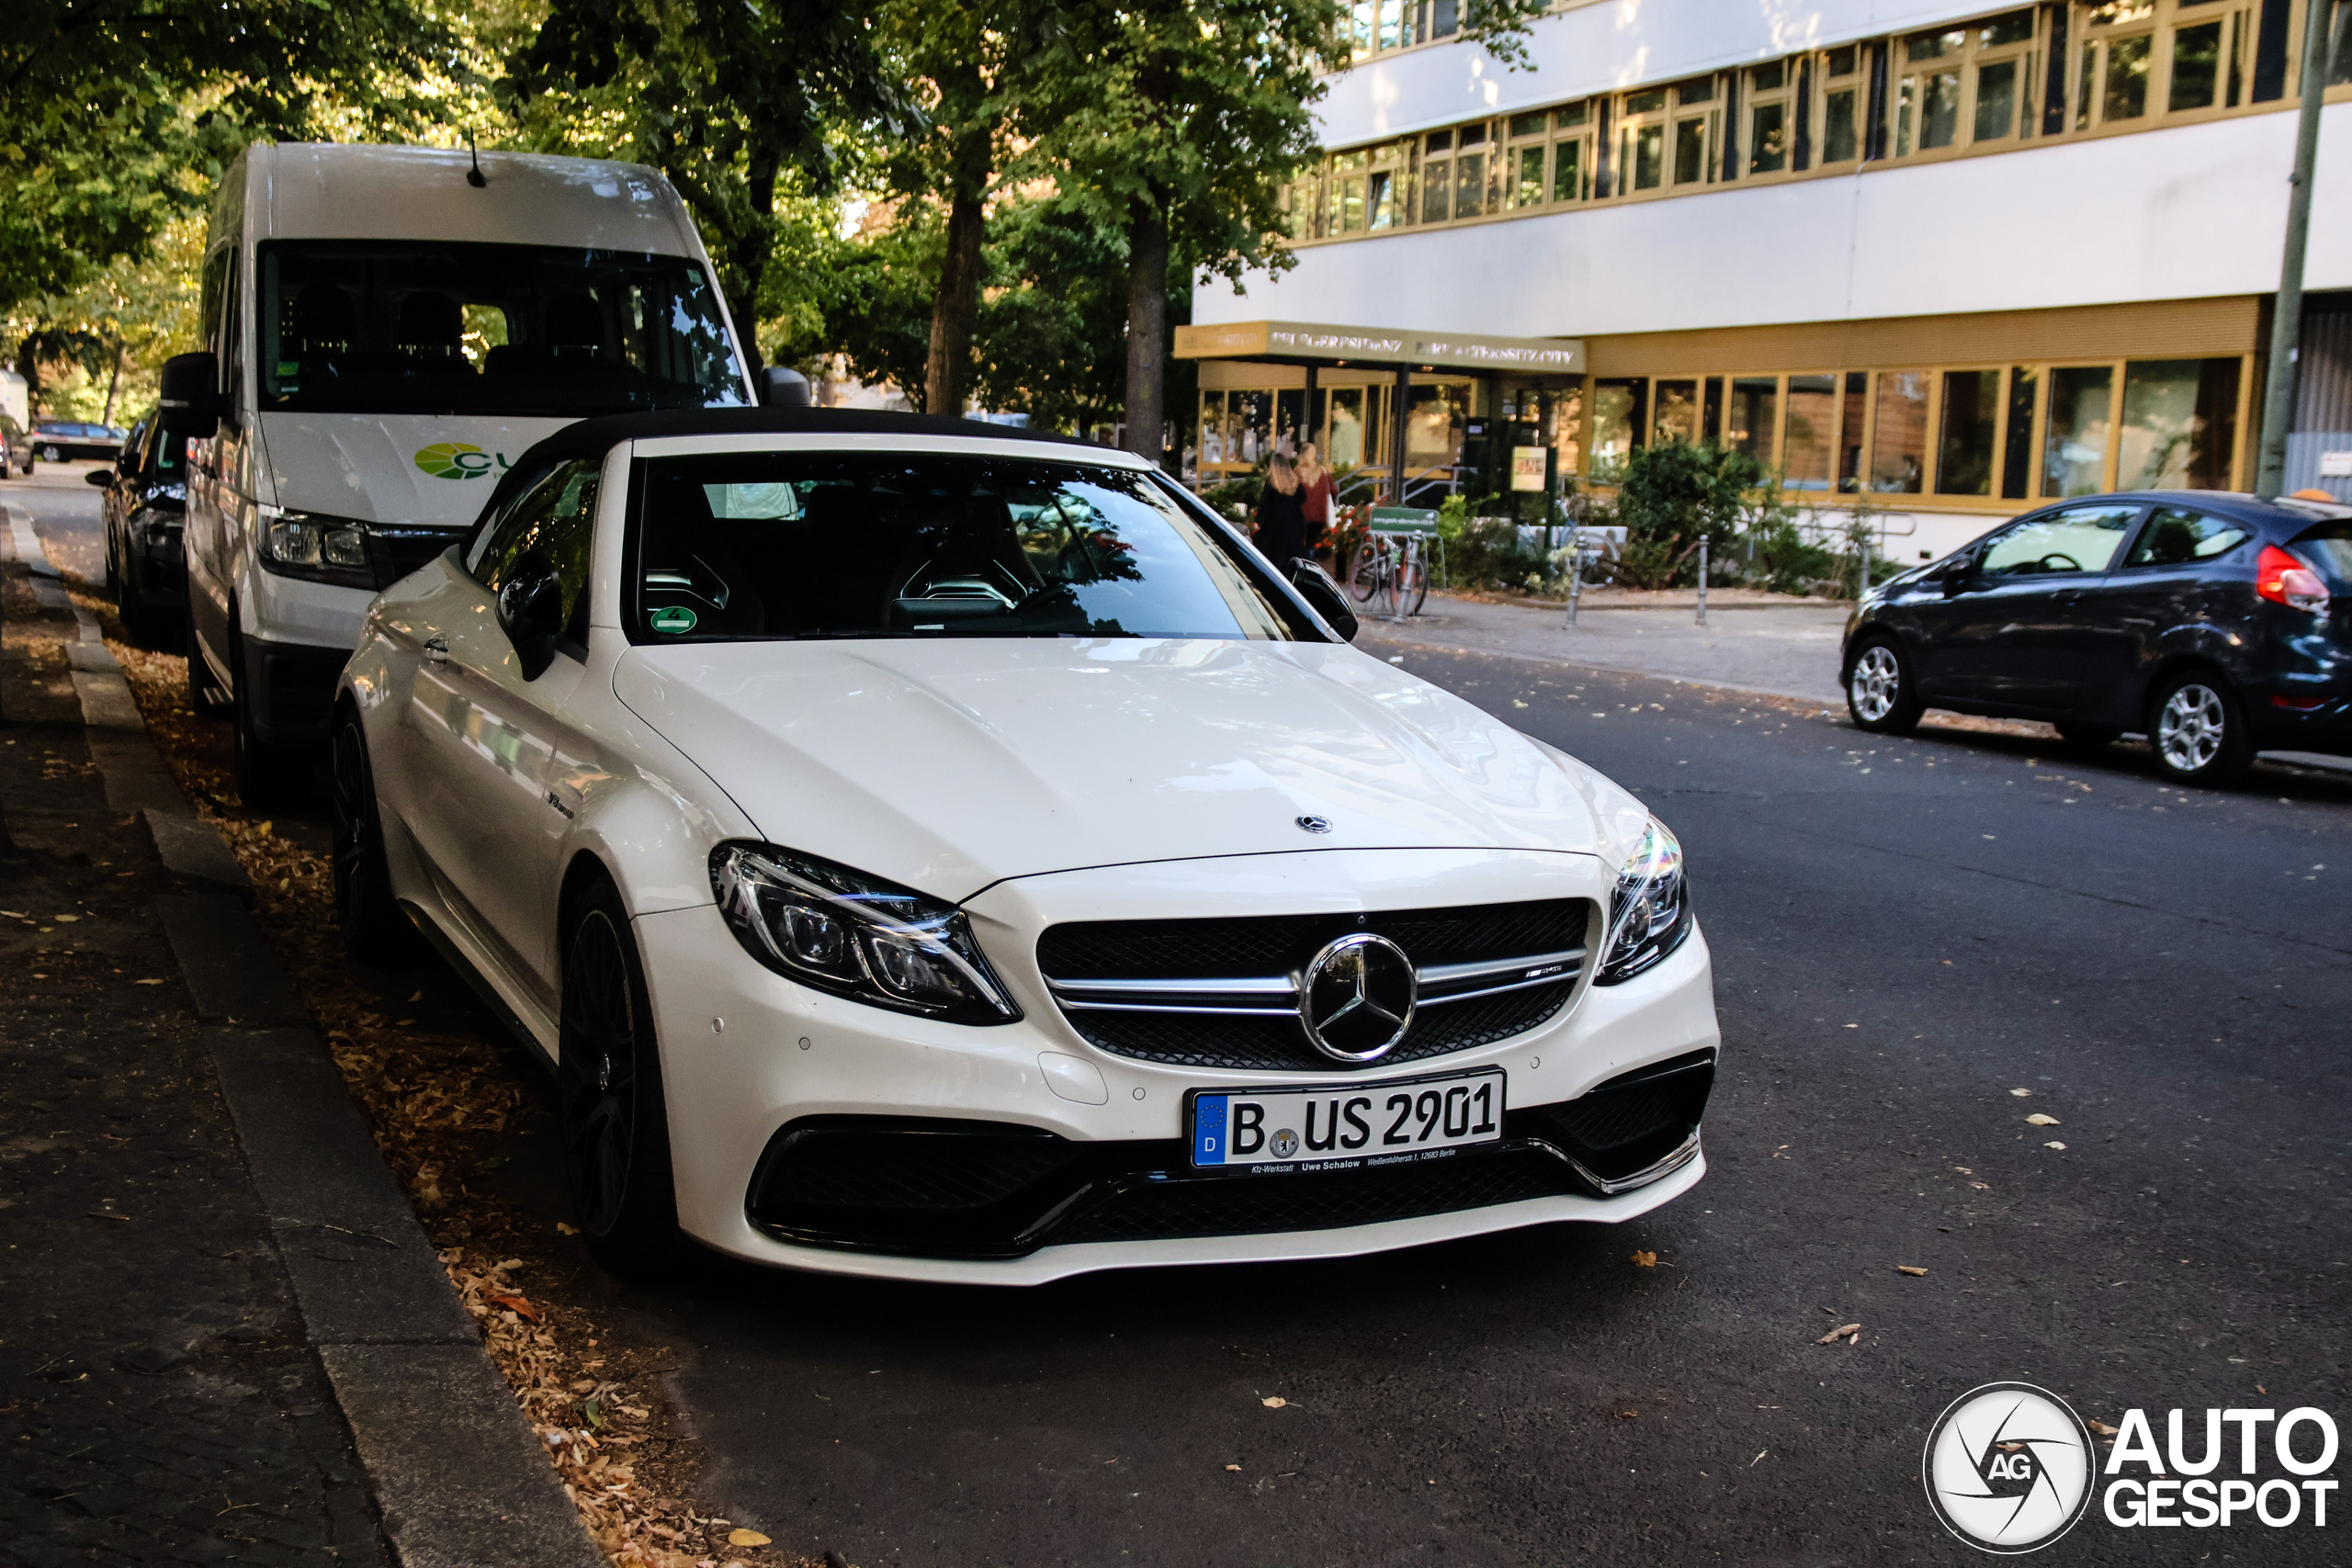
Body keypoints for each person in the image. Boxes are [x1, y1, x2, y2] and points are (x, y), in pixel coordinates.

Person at [1252, 453, 1309, 568]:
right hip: (1294, 521)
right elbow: (1303, 498)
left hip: (1274, 523)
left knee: (1273, 555)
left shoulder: (1271, 482)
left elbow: (1265, 504)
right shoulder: (1294, 481)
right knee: (1292, 555)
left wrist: (1258, 521)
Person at [1296, 442, 1336, 547]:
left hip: (1301, 515)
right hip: (1319, 515)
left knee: (1300, 543)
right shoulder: (1322, 472)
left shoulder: (1296, 473)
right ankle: (1311, 558)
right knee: (1313, 544)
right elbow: (1334, 491)